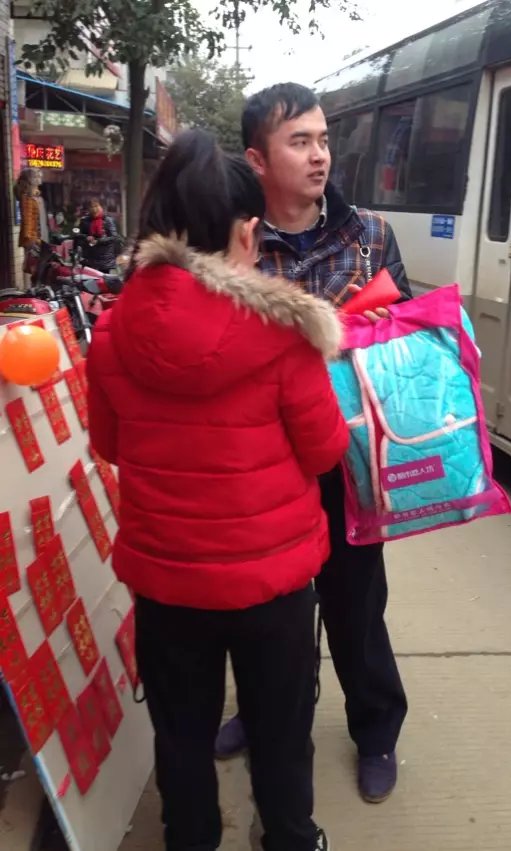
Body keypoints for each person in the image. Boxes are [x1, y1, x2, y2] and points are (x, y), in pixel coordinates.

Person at [86, 129, 349, 851]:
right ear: (243, 231)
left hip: (167, 581)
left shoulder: (112, 331)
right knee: (281, 729)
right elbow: (325, 449)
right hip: (274, 583)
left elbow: (110, 445)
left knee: (181, 733)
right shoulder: (284, 333)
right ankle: (291, 837)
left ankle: (191, 838)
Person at [215, 83, 412, 805]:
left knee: (357, 608)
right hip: (268, 470)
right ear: (257, 159)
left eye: (323, 139)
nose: (320, 155)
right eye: (299, 142)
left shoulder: (370, 236)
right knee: (271, 614)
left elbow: (405, 335)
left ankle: (377, 731)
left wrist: (385, 333)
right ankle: (262, 711)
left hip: (353, 460)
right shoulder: (234, 241)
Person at [79, 198, 119, 272]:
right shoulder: (85, 221)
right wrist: (86, 237)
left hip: (104, 258)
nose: (94, 209)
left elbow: (114, 237)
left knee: (103, 278)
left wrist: (98, 241)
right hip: (90, 257)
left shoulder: (108, 220)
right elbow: (80, 235)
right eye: (92, 207)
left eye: (96, 206)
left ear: (101, 207)